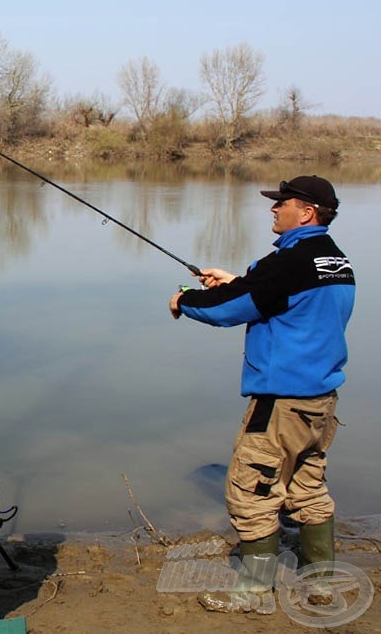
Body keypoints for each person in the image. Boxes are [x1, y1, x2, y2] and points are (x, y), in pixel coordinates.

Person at [169, 175, 355, 612]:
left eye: (281, 203)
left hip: (281, 402)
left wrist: (184, 299)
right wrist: (236, 279)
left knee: (250, 491)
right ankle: (321, 583)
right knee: (308, 490)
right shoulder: (334, 258)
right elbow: (275, 294)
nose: (273, 209)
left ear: (307, 212)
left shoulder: (289, 263)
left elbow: (229, 311)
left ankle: (252, 592)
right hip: (322, 401)